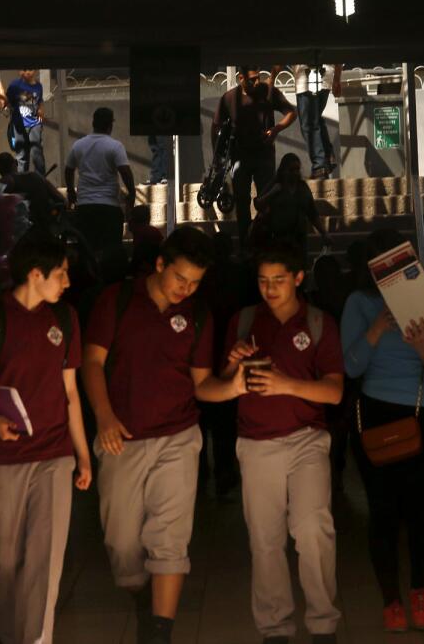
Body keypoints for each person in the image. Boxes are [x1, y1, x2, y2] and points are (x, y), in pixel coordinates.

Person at [81, 226, 247, 644]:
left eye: (195, 283)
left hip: (178, 436)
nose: (185, 289)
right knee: (120, 542)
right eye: (180, 279)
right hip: (121, 438)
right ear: (160, 264)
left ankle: (159, 633)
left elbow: (202, 384)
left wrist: (232, 388)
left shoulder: (198, 315)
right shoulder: (117, 301)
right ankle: (142, 596)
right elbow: (92, 363)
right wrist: (103, 416)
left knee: (170, 539)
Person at [0, 232, 90, 644]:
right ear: (35, 273)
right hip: (1, 457)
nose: (67, 283)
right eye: (61, 274)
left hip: (53, 453)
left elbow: (70, 392)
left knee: (44, 561)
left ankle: (36, 640)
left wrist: (83, 457)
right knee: (4, 559)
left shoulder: (64, 319)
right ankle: (10, 636)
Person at [224, 242, 345, 644]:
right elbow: (219, 383)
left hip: (307, 438)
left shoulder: (318, 322)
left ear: (298, 278)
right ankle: (275, 627)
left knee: (313, 529)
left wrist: (285, 385)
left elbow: (334, 392)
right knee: (265, 538)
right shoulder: (244, 321)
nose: (270, 288)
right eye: (263, 281)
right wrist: (232, 363)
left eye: (278, 280)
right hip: (256, 441)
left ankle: (323, 622)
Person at [340, 229, 424, 633]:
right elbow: (348, 367)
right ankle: (391, 600)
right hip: (375, 412)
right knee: (383, 511)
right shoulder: (360, 303)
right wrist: (376, 330)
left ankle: (420, 589)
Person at [212, 65, 297, 248]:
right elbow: (216, 126)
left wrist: (276, 129)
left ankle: (266, 241)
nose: (257, 82)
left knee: (267, 201)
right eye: (252, 79)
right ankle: (245, 243)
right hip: (239, 156)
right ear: (240, 78)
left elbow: (291, 112)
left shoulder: (268, 91)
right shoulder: (229, 98)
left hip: (264, 156)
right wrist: (218, 157)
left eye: (258, 77)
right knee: (241, 203)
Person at [65, 106, 135, 255]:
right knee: (111, 251)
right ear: (110, 125)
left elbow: (69, 169)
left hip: (84, 207)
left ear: (93, 123)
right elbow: (125, 172)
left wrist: (71, 191)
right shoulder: (115, 146)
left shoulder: (79, 145)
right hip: (108, 207)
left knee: (87, 250)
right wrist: (132, 193)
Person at [252, 152, 331, 253]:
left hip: (299, 241)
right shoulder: (275, 185)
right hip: (278, 242)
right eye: (291, 170)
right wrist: (272, 193)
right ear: (284, 171)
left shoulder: (303, 188)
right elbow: (258, 205)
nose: (295, 173)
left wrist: (324, 233)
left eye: (297, 169)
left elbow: (312, 213)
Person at [0, 151, 68, 232]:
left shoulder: (5, 182)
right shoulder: (35, 176)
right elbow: (58, 196)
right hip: (45, 222)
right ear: (15, 163)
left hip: (23, 228)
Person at [292, 64, 337, 180]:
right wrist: (337, 78)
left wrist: (272, 78)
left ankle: (319, 166)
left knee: (308, 124)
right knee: (315, 119)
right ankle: (327, 157)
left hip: (305, 78)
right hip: (326, 75)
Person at [3, 69, 47, 175]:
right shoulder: (14, 85)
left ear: (35, 71)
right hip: (18, 124)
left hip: (34, 124)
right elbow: (7, 100)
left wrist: (41, 110)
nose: (27, 72)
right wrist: (5, 104)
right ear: (19, 71)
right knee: (21, 154)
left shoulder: (38, 86)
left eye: (30, 69)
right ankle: (22, 180)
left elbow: (40, 101)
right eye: (24, 69)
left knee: (36, 152)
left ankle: (40, 180)